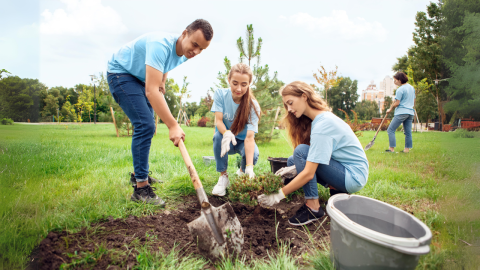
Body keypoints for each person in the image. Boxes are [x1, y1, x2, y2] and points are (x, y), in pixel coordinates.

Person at [106, 19, 213, 206]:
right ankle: (140, 189)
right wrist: (173, 125)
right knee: (145, 125)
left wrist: (163, 80)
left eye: (201, 49)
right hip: (121, 73)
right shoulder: (160, 45)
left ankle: (139, 175)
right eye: (195, 44)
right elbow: (150, 90)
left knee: (147, 126)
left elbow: (166, 64)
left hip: (137, 77)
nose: (196, 52)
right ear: (184, 34)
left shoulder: (183, 52)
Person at [257, 81, 369, 226]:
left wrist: (279, 194)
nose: (289, 109)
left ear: (304, 96)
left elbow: (309, 173)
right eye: (286, 105)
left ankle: (313, 208)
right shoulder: (320, 119)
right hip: (346, 171)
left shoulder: (323, 124)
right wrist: (295, 167)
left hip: (353, 176)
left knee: (301, 153)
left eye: (291, 103)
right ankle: (336, 191)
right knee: (293, 160)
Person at [210, 63, 261, 197]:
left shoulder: (253, 106)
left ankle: (242, 171)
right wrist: (226, 133)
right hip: (225, 140)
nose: (239, 89)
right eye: (235, 83)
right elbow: (219, 121)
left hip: (243, 142)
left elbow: (249, 138)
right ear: (229, 80)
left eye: (244, 84)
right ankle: (223, 177)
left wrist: (249, 167)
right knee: (217, 137)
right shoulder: (220, 94)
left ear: (249, 84)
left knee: (254, 154)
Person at [385, 72, 416, 153]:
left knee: (390, 129)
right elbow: (414, 100)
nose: (395, 82)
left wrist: (390, 109)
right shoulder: (412, 88)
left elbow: (397, 103)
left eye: (395, 81)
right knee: (408, 132)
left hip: (401, 112)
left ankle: (391, 149)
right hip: (410, 112)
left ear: (400, 80)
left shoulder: (400, 89)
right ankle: (406, 150)